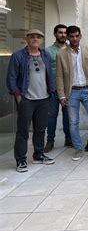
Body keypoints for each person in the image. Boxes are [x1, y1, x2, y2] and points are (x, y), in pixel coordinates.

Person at [7, 29, 56, 172]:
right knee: (23, 131)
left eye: (38, 37)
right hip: (26, 99)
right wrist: (18, 96)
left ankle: (38, 155)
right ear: (26, 39)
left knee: (40, 129)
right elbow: (11, 77)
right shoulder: (18, 56)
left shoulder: (45, 55)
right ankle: (21, 160)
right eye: (32, 36)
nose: (35, 39)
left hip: (44, 98)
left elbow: (50, 74)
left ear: (41, 39)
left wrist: (51, 90)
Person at [56, 25, 88, 161]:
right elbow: (58, 76)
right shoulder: (62, 54)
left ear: (80, 36)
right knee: (73, 122)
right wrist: (62, 95)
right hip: (72, 92)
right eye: (72, 36)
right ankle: (77, 149)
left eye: (77, 36)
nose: (74, 39)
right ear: (68, 37)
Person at [44, 24, 71, 152]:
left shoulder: (71, 49)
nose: (63, 35)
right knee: (51, 115)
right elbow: (45, 71)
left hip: (68, 89)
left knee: (68, 115)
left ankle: (68, 138)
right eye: (60, 33)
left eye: (65, 33)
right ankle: (50, 140)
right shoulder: (48, 51)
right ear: (55, 34)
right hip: (53, 89)